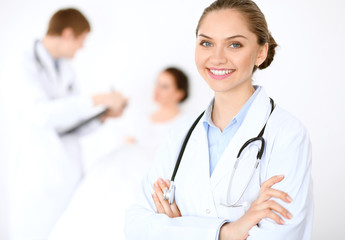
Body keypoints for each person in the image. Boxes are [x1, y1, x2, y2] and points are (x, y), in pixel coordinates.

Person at [125, 0, 313, 239]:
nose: (216, 58)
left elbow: (281, 234)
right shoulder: (179, 134)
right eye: (206, 43)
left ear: (261, 52)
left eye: (234, 44)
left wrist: (179, 229)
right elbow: (136, 225)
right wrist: (227, 232)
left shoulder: (286, 133)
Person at [1, 8, 126, 240]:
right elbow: (39, 115)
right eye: (81, 40)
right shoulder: (23, 64)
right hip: (37, 172)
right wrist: (97, 99)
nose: (82, 47)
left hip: (66, 168)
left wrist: (102, 116)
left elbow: (70, 123)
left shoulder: (66, 69)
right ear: (68, 34)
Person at [47, 67, 190, 240]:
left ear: (179, 93)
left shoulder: (184, 123)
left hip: (149, 170)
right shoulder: (144, 116)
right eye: (157, 84)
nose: (157, 90)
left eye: (165, 86)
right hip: (120, 162)